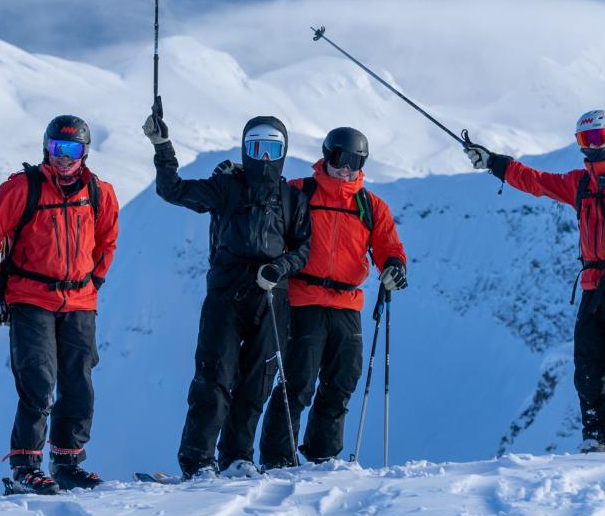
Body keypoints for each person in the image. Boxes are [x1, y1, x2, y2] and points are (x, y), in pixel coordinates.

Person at [464, 110, 605, 451]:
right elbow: (536, 181)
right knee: (588, 367)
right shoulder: (581, 183)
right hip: (594, 286)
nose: (591, 147)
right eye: (584, 141)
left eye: (597, 138)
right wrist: (493, 163)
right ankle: (598, 435)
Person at [142, 108, 311, 479]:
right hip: (226, 293)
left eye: (271, 148)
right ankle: (198, 460)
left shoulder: (292, 199)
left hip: (271, 295)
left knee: (257, 382)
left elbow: (303, 247)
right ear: (244, 149)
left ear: (283, 152)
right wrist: (162, 146)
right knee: (214, 376)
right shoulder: (226, 187)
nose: (263, 157)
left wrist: (280, 267)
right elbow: (173, 190)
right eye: (255, 147)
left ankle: (237, 457)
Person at [0, 115, 120, 495]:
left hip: (80, 300)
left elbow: (107, 241)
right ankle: (26, 467)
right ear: (46, 149)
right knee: (38, 380)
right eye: (58, 148)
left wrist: (94, 281)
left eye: (72, 150)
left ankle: (67, 462)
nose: (64, 158)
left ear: (85, 153)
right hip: (30, 296)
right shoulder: (23, 188)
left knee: (78, 383)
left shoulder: (100, 192)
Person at [258, 127, 407, 468]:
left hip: (347, 303)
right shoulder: (300, 191)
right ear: (327, 156)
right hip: (303, 299)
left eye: (355, 161)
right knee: (297, 382)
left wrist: (395, 266)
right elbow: (265, 200)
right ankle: (277, 459)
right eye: (340, 158)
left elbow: (388, 246)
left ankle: (323, 456)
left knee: (342, 381)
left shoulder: (370, 205)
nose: (346, 168)